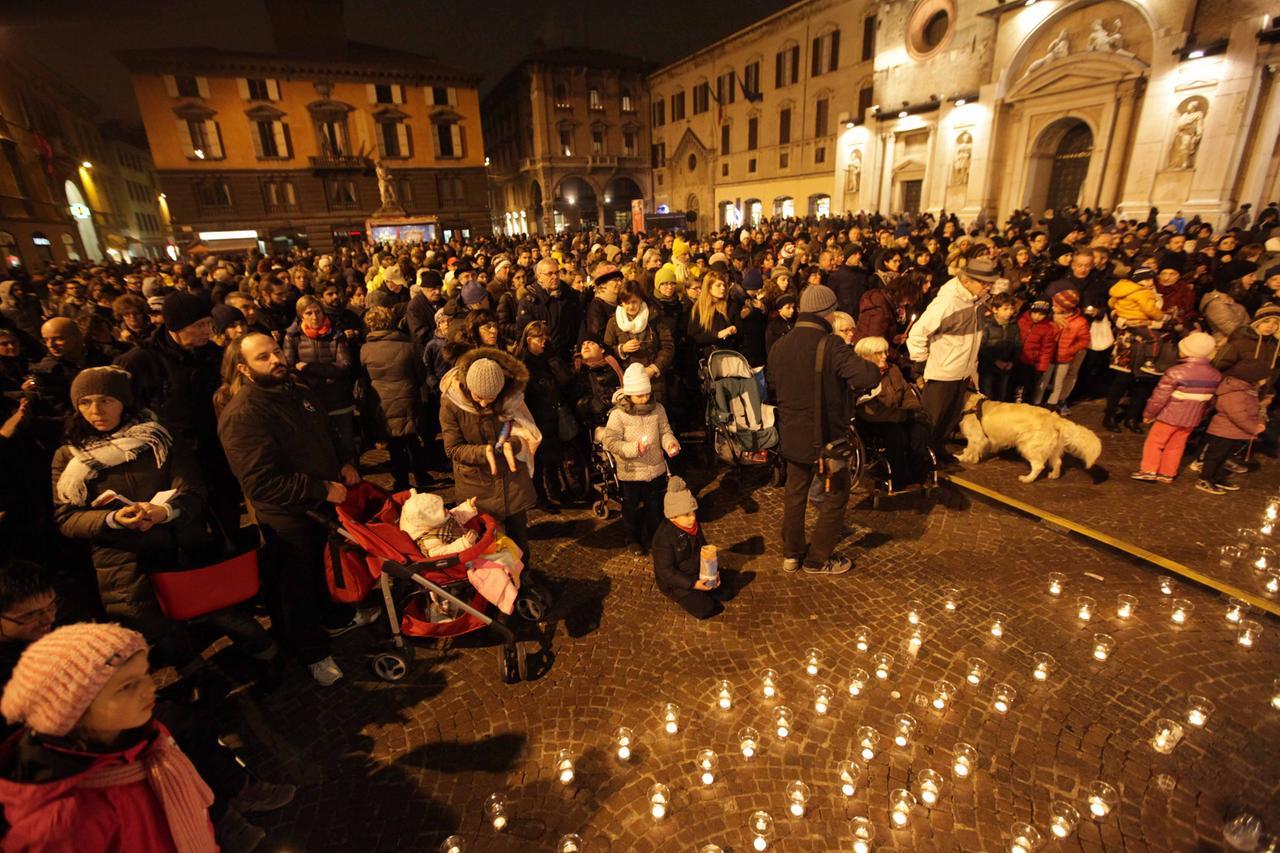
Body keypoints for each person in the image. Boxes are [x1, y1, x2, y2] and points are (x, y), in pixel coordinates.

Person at [217, 333, 366, 687]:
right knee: (295, 587)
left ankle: (335, 616)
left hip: (324, 504)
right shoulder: (243, 415)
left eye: (276, 351)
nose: (275, 360)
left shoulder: (296, 389)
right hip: (287, 517)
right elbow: (260, 482)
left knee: (326, 569)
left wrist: (344, 460)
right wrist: (319, 488)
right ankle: (312, 653)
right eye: (263, 357)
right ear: (244, 369)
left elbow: (326, 430)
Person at [0, 623, 218, 851]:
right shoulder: (62, 820)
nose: (149, 687)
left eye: (144, 673)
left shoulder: (148, 735)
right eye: (126, 686)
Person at [767, 284, 880, 575]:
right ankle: (817, 559)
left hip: (792, 435)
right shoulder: (831, 345)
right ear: (828, 314)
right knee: (836, 496)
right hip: (826, 439)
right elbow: (867, 375)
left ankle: (791, 555)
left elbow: (773, 385)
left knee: (795, 494)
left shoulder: (780, 344)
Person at [439, 348, 542, 564]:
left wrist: (512, 445)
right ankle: (496, 591)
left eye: (491, 398)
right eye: (479, 397)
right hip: (477, 486)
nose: (485, 403)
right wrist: (484, 452)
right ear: (468, 387)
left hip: (512, 484)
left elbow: (524, 431)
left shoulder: (510, 398)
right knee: (489, 549)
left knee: (519, 542)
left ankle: (524, 580)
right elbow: (453, 448)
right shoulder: (451, 403)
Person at [907, 257, 998, 459]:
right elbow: (918, 333)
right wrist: (920, 362)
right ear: (967, 281)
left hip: (962, 372)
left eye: (990, 283)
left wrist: (971, 370)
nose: (988, 287)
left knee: (950, 418)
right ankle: (919, 458)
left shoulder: (977, 302)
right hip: (943, 373)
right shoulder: (948, 302)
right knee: (932, 419)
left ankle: (937, 450)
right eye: (984, 283)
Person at [603, 364, 680, 555]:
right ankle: (633, 538)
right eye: (639, 395)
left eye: (646, 394)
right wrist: (633, 449)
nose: (644, 398)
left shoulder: (658, 409)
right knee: (630, 506)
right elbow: (610, 442)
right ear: (629, 394)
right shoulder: (618, 415)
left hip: (655, 469)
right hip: (631, 472)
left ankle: (656, 537)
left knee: (654, 506)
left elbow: (664, 431)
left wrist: (670, 443)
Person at [1132, 332, 1221, 484]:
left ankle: (1148, 470)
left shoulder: (1176, 372)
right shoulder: (1215, 375)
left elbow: (1159, 397)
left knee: (1155, 442)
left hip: (1169, 416)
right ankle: (1167, 473)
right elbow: (1210, 401)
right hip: (1192, 418)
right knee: (1177, 445)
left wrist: (1149, 413)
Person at [360, 306, 431, 491]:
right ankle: (421, 475)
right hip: (408, 398)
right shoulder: (408, 346)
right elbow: (420, 374)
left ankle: (401, 481)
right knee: (412, 440)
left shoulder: (365, 350)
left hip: (383, 403)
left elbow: (364, 380)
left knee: (395, 444)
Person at [852, 336, 932, 487]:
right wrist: (905, 415)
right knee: (896, 434)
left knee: (920, 429)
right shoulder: (861, 376)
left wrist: (913, 409)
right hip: (873, 421)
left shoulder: (893, 370)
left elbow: (907, 393)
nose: (884, 356)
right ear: (866, 356)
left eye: (885, 352)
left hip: (898, 415)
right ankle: (898, 477)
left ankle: (917, 473)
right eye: (879, 353)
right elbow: (872, 411)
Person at [651, 477, 730, 619]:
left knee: (727, 591)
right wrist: (693, 584)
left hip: (696, 570)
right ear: (673, 517)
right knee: (706, 609)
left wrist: (711, 572)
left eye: (693, 512)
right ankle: (699, 594)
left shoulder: (692, 525)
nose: (693, 518)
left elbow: (703, 547)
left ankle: (706, 589)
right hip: (677, 582)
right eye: (687, 514)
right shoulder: (664, 538)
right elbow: (666, 572)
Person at [1197, 358, 1268, 494]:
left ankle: (1216, 478)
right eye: (1263, 377)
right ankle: (1205, 478)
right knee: (1215, 456)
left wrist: (1259, 421)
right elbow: (1238, 415)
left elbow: (1255, 409)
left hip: (1234, 432)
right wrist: (1254, 428)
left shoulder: (1248, 390)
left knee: (1224, 457)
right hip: (1223, 432)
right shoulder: (1235, 393)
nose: (1265, 381)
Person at [603, 279, 674, 398]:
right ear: (621, 302)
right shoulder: (614, 322)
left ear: (641, 300)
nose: (631, 306)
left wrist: (654, 368)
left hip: (654, 381)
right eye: (626, 302)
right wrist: (622, 349)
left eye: (634, 302)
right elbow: (606, 350)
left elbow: (668, 346)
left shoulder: (653, 317)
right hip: (627, 380)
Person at [1040, 289, 1091, 413]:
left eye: (1056, 305)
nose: (1053, 307)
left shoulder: (1079, 322)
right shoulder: (1051, 317)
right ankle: (1038, 402)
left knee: (1059, 382)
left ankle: (1052, 404)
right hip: (1049, 355)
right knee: (1042, 381)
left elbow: (1084, 340)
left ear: (1066, 307)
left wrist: (1070, 350)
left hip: (1064, 357)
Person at [978, 294, 1022, 401]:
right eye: (1005, 309)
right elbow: (982, 347)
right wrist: (995, 361)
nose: (1009, 312)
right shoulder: (987, 325)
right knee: (986, 395)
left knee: (1001, 395)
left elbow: (1017, 345)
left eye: (1011, 309)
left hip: (1006, 367)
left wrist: (1012, 361)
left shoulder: (1013, 326)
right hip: (988, 368)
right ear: (995, 309)